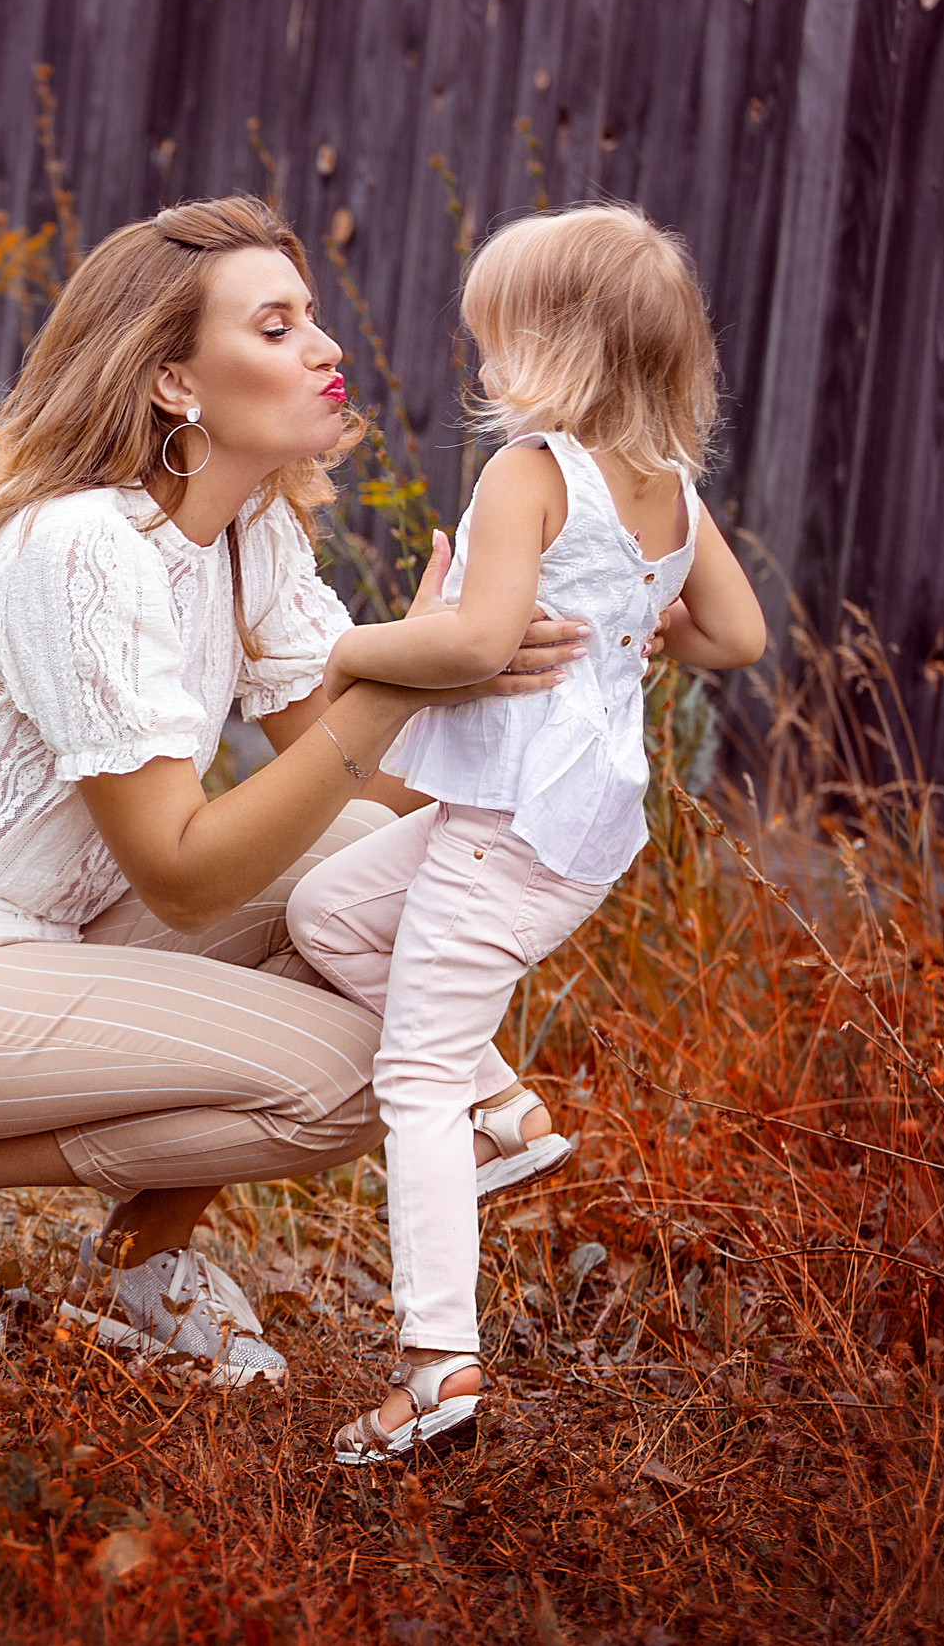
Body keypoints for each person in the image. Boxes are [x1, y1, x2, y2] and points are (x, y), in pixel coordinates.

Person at [0, 195, 592, 1386]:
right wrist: (400, 676)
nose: (326, 348)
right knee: (356, 1078)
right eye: (276, 326)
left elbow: (395, 795)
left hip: (39, 945)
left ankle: (144, 1260)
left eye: (313, 319)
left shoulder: (249, 536)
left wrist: (564, 657)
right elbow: (184, 871)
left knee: (355, 858)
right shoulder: (85, 549)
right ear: (173, 384)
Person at [284, 202, 768, 1460]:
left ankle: (437, 1364)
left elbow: (472, 646)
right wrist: (649, 634)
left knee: (412, 1082)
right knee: (326, 911)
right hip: (575, 827)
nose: (483, 364)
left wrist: (343, 645)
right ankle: (510, 1114)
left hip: (506, 833)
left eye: (496, 340)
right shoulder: (665, 489)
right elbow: (738, 640)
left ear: (555, 353)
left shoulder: (531, 471)